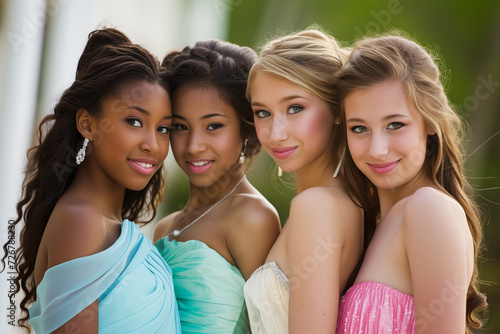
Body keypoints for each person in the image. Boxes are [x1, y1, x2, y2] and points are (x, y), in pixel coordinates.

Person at [1, 28, 181, 333]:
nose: (153, 144)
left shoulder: (105, 222)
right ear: (87, 124)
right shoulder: (81, 220)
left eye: (163, 128)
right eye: (134, 121)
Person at [336, 34, 488, 333]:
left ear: (430, 122)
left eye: (395, 125)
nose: (377, 149)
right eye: (359, 128)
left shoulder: (429, 208)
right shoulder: (370, 228)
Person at [153, 39, 281, 334]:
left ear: (245, 129)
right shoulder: (165, 227)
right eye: (180, 127)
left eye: (213, 126)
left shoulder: (252, 217)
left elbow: (270, 325)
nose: (195, 145)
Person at [243, 28, 365, 334]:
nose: (276, 132)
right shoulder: (340, 201)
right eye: (263, 112)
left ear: (337, 109)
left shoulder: (316, 206)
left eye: (295, 108)